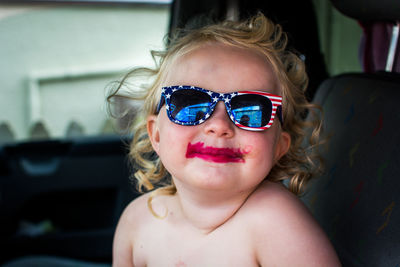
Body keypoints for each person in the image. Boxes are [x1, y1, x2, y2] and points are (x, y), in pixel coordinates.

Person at [109, 13, 341, 266]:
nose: (219, 126)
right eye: (190, 104)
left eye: (250, 111)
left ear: (279, 146)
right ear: (156, 135)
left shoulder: (276, 221)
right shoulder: (137, 220)